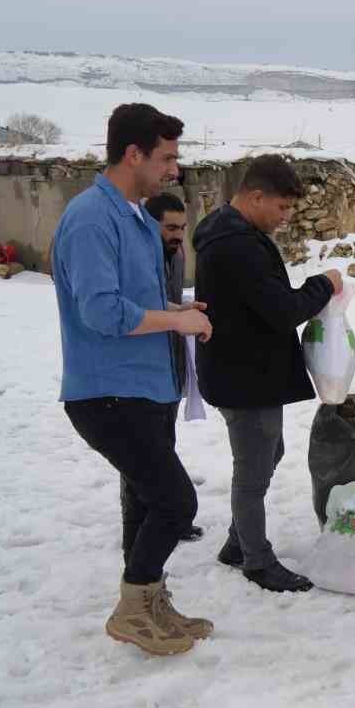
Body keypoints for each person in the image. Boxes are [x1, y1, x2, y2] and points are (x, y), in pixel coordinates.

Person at [52, 103, 213, 657]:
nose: (174, 169)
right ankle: (131, 609)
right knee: (176, 503)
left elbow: (135, 302)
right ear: (133, 154)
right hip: (107, 393)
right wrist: (176, 320)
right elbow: (100, 311)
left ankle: (150, 603)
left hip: (146, 388)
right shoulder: (92, 218)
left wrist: (179, 308)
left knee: (149, 504)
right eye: (167, 158)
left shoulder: (136, 219)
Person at [194, 155, 341, 594]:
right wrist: (324, 285)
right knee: (253, 473)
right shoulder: (237, 245)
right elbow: (282, 310)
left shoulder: (230, 232)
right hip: (245, 378)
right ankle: (256, 560)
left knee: (268, 453)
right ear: (255, 196)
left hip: (243, 371)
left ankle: (238, 543)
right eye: (282, 208)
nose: (286, 218)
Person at [145, 191, 205, 543]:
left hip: (170, 361)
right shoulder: (139, 257)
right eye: (169, 227)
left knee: (165, 440)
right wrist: (174, 313)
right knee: (145, 452)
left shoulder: (178, 253)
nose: (177, 234)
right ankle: (150, 518)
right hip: (143, 365)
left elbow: (162, 299)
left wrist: (181, 307)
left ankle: (168, 515)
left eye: (181, 227)